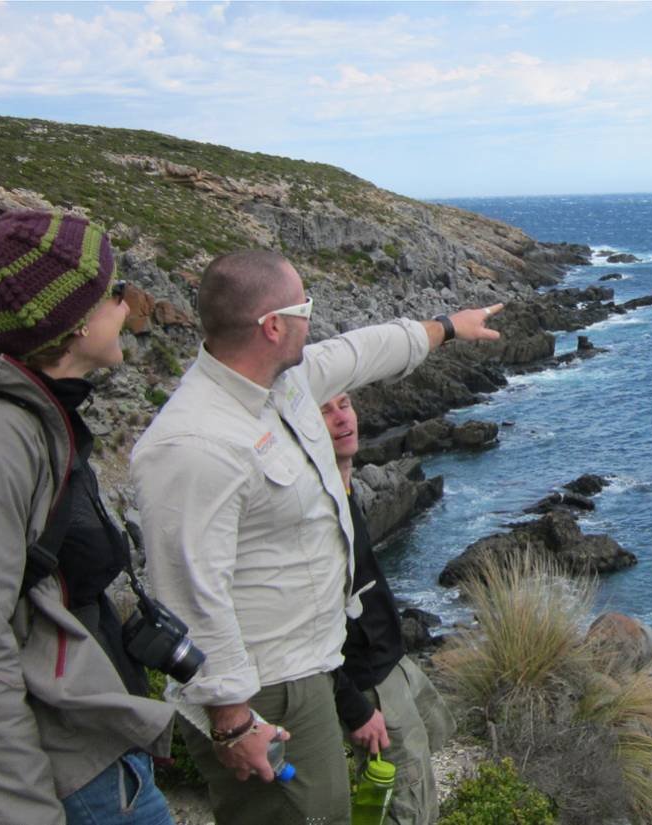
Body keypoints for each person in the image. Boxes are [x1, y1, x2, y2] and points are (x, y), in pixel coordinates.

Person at [130, 249, 502, 825]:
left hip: (311, 665)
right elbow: (188, 590)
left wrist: (448, 328)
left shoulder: (288, 379)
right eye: (304, 305)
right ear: (273, 326)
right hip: (263, 688)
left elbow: (364, 350)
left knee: (325, 810)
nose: (313, 316)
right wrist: (233, 720)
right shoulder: (192, 443)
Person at [0, 211, 176, 824]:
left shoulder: (40, 417)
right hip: (62, 779)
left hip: (94, 760)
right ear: (73, 323)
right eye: (114, 293)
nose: (128, 305)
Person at [322, 392, 454, 825]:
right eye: (326, 411)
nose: (342, 419)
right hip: (366, 679)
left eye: (345, 405)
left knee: (433, 739)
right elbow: (305, 624)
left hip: (392, 659)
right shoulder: (316, 512)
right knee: (405, 795)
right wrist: (353, 705)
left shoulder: (344, 488)